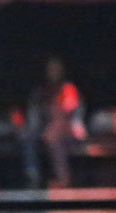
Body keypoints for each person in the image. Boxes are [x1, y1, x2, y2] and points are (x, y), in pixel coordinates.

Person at [23, 57, 85, 188]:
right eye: (50, 69)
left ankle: (63, 179)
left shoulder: (68, 89)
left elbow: (71, 114)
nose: (53, 72)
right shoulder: (41, 92)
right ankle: (33, 177)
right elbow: (34, 115)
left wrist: (75, 127)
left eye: (56, 69)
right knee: (26, 137)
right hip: (43, 130)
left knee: (54, 138)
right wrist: (35, 129)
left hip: (67, 131)